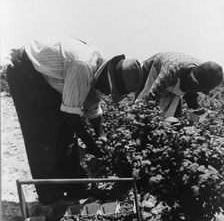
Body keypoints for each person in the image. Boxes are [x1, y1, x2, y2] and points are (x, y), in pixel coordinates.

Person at [6, 36, 143, 204]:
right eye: (111, 90)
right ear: (109, 78)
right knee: (42, 136)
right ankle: (49, 195)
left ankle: (74, 187)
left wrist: (101, 135)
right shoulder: (84, 66)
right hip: (26, 73)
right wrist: (91, 144)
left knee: (66, 133)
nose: (108, 94)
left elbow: (92, 107)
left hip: (45, 77)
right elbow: (71, 115)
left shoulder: (98, 69)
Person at [135, 52, 223, 117]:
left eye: (201, 90)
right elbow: (150, 99)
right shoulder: (171, 70)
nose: (196, 91)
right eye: (197, 88)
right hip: (153, 67)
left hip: (179, 75)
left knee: (174, 115)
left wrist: (199, 119)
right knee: (142, 106)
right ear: (193, 80)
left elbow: (193, 105)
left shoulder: (200, 75)